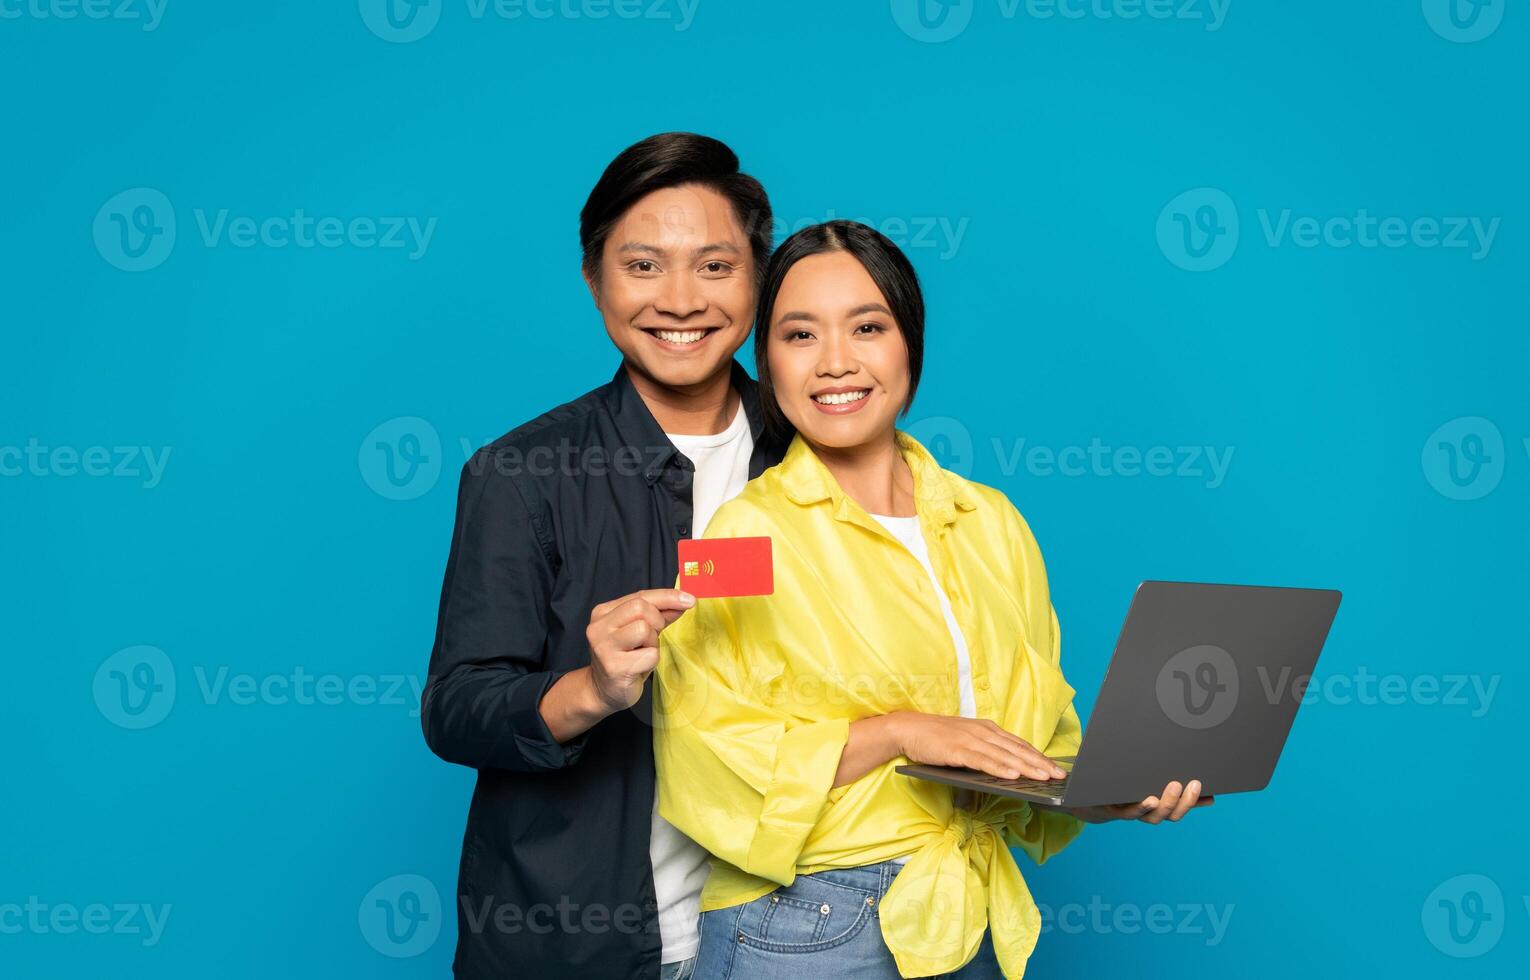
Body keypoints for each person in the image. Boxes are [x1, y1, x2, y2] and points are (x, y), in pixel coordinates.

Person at [653, 221, 1212, 978]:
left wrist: (1108, 791)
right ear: (768, 364)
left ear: (910, 344)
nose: (837, 362)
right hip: (805, 923)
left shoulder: (993, 524)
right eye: (799, 335)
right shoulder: (740, 534)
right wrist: (899, 732)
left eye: (868, 327)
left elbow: (1023, 741)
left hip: (964, 912)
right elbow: (699, 744)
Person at [422, 132, 790, 979]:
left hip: (787, 939)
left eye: (713, 266)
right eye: (643, 265)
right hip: (572, 943)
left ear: (759, 279)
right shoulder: (522, 474)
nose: (680, 300)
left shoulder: (816, 459)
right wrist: (588, 691)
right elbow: (454, 706)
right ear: (594, 281)